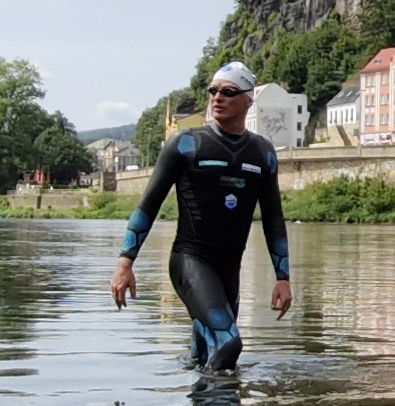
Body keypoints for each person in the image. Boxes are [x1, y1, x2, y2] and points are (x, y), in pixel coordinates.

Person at [112, 61, 292, 372]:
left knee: (204, 355)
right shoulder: (186, 144)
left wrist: (283, 278)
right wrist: (125, 264)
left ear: (249, 100)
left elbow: (274, 218)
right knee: (228, 343)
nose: (218, 97)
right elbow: (148, 205)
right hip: (190, 260)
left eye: (229, 91)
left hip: (229, 268)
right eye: (214, 91)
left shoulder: (262, 152)